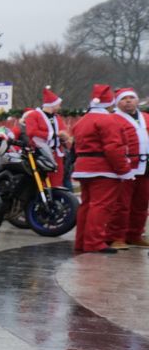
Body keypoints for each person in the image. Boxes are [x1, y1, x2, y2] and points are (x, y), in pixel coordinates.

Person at [70, 84, 130, 254]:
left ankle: (81, 241)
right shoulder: (109, 121)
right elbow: (113, 148)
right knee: (101, 206)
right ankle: (94, 242)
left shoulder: (83, 120)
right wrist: (124, 169)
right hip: (103, 169)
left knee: (87, 206)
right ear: (110, 103)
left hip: (83, 167)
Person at [111, 87, 149, 248]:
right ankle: (116, 237)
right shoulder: (113, 119)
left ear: (137, 100)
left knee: (141, 204)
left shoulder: (146, 117)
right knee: (121, 204)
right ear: (117, 102)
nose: (128, 101)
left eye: (131, 98)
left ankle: (135, 234)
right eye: (123, 99)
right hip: (126, 166)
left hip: (146, 166)